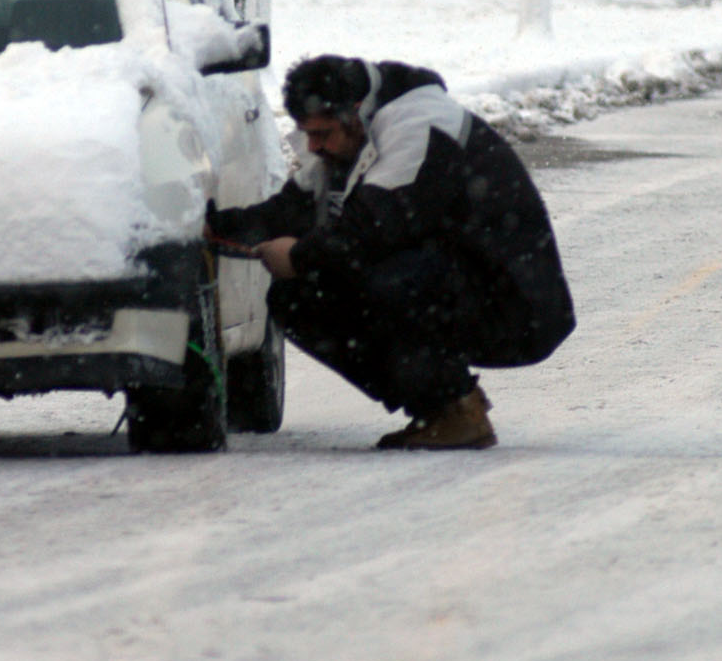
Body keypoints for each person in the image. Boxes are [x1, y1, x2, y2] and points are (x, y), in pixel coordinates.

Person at [207, 56, 575, 451]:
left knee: (363, 274)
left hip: (515, 305)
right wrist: (216, 226)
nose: (313, 147)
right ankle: (442, 408)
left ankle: (454, 410)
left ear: (355, 112)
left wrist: (298, 258)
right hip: (458, 283)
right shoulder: (350, 138)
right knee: (296, 298)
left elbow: (371, 233)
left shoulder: (419, 125)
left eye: (322, 134)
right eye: (307, 135)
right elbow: (290, 211)